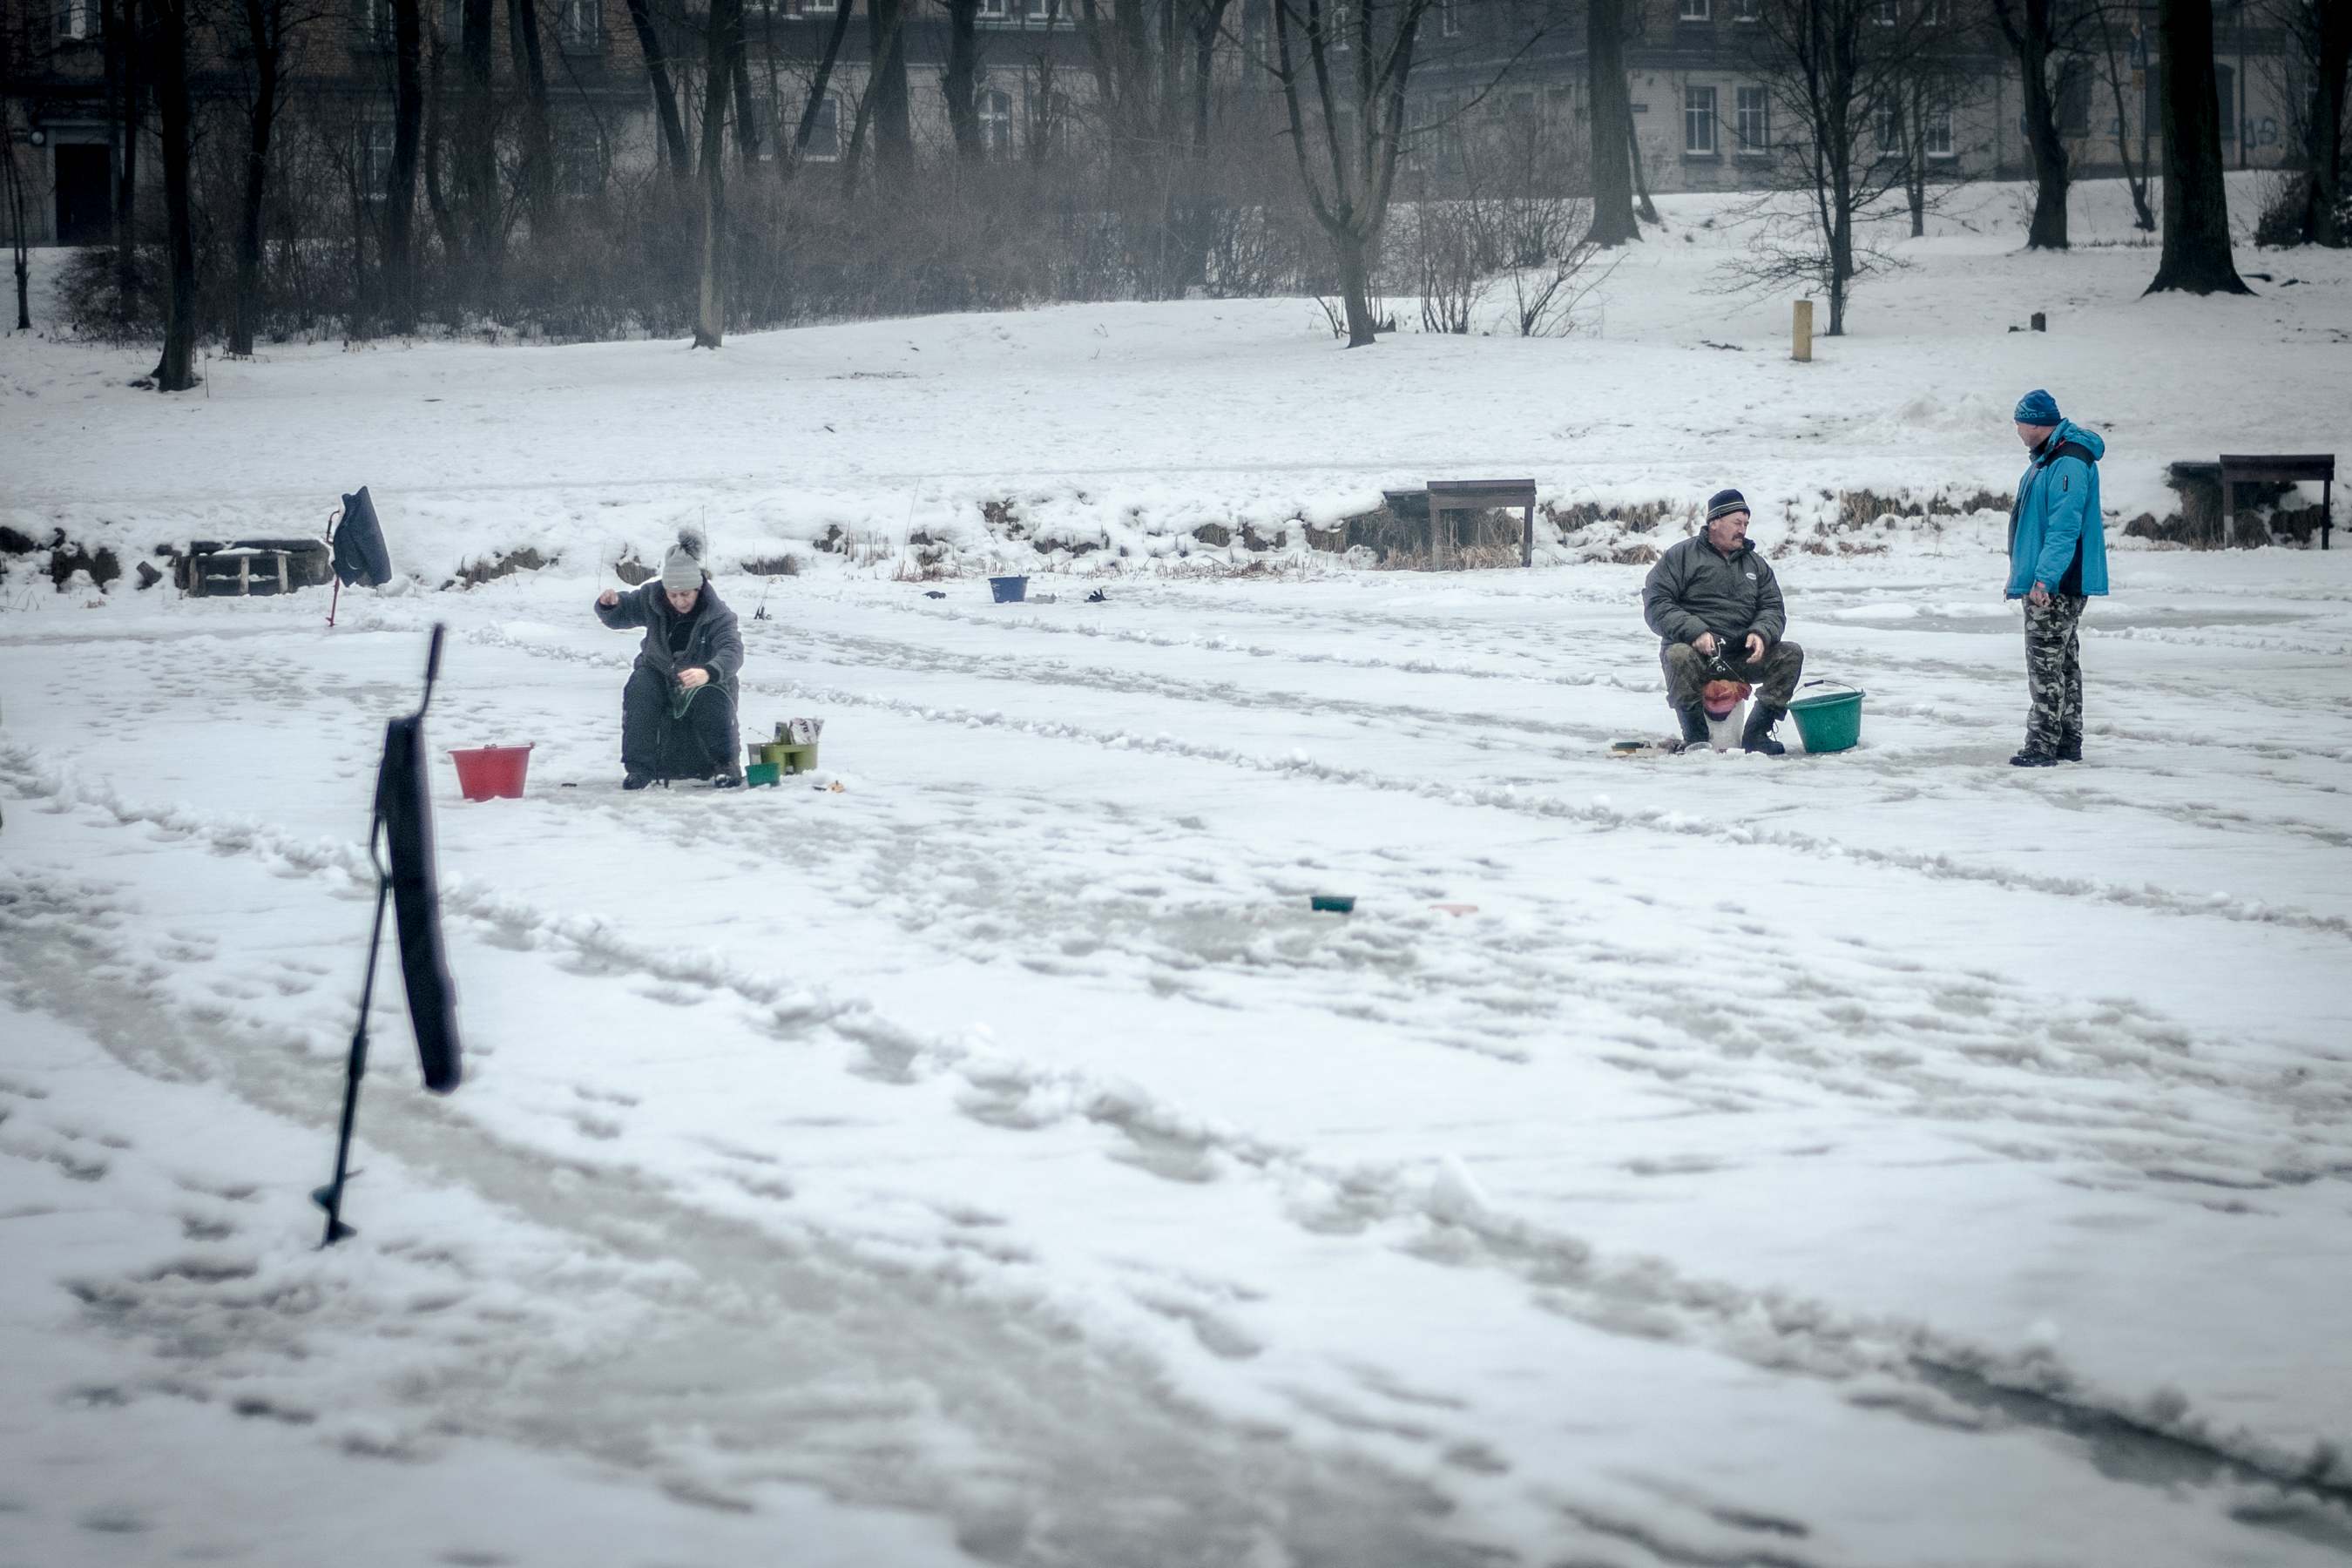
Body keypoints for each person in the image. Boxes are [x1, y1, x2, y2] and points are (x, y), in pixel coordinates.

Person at [1642, 489, 1805, 754]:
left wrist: (1761, 633)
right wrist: (1695, 631)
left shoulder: (1756, 565)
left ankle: (1756, 733)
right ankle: (1696, 738)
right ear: (1715, 522)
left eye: (1746, 524)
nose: (1743, 530)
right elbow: (1657, 603)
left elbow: (1773, 607)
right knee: (1677, 654)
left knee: (1790, 654)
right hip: (1697, 655)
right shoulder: (1681, 556)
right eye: (1737, 523)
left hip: (1741, 657)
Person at [2004, 389, 2109, 767]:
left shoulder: (2067, 463)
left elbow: (2064, 528)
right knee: (2063, 662)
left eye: (2019, 422)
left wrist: (2044, 580)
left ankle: (2042, 745)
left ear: (2035, 423)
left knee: (2045, 664)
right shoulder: (2050, 459)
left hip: (2057, 584)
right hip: (2054, 580)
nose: (2016, 429)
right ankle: (2067, 740)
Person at [594, 528, 745, 789]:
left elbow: (732, 651)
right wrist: (610, 605)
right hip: (658, 671)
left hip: (704, 677)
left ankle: (725, 765)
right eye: (673, 595)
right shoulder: (652, 597)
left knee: (711, 698)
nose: (679, 601)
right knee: (640, 688)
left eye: (685, 594)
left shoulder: (718, 614)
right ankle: (639, 769)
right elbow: (623, 612)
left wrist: (708, 672)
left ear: (698, 589)